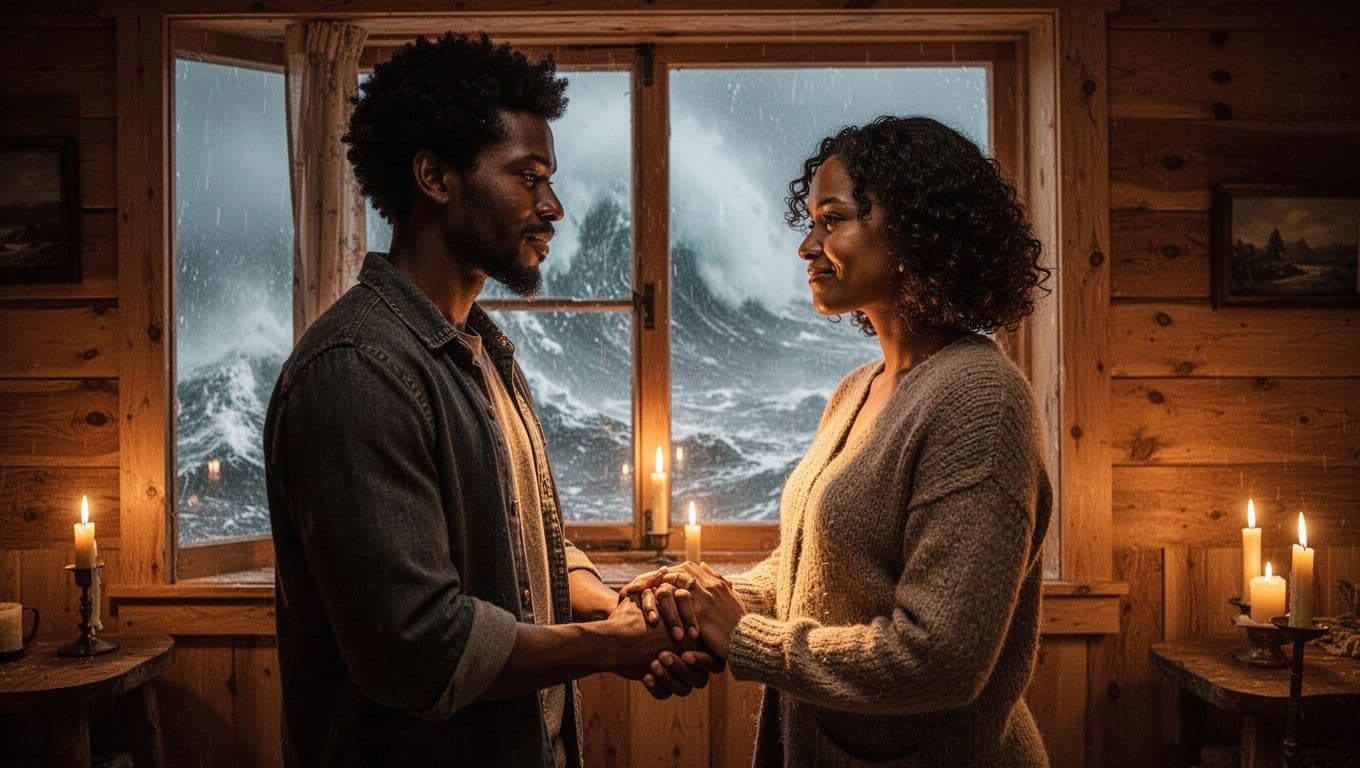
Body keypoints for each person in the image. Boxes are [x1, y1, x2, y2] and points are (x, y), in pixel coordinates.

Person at [264, 33, 716, 768]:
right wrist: (608, 647)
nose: (555, 205)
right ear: (435, 177)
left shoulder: (480, 348)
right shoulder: (355, 371)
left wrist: (606, 602)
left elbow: (515, 538)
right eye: (527, 177)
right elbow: (418, 646)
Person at [627, 115, 1054, 767]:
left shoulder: (981, 399)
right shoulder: (859, 388)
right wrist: (701, 604)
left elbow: (939, 658)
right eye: (812, 220)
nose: (807, 246)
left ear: (914, 231)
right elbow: (818, 569)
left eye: (833, 220)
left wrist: (743, 638)